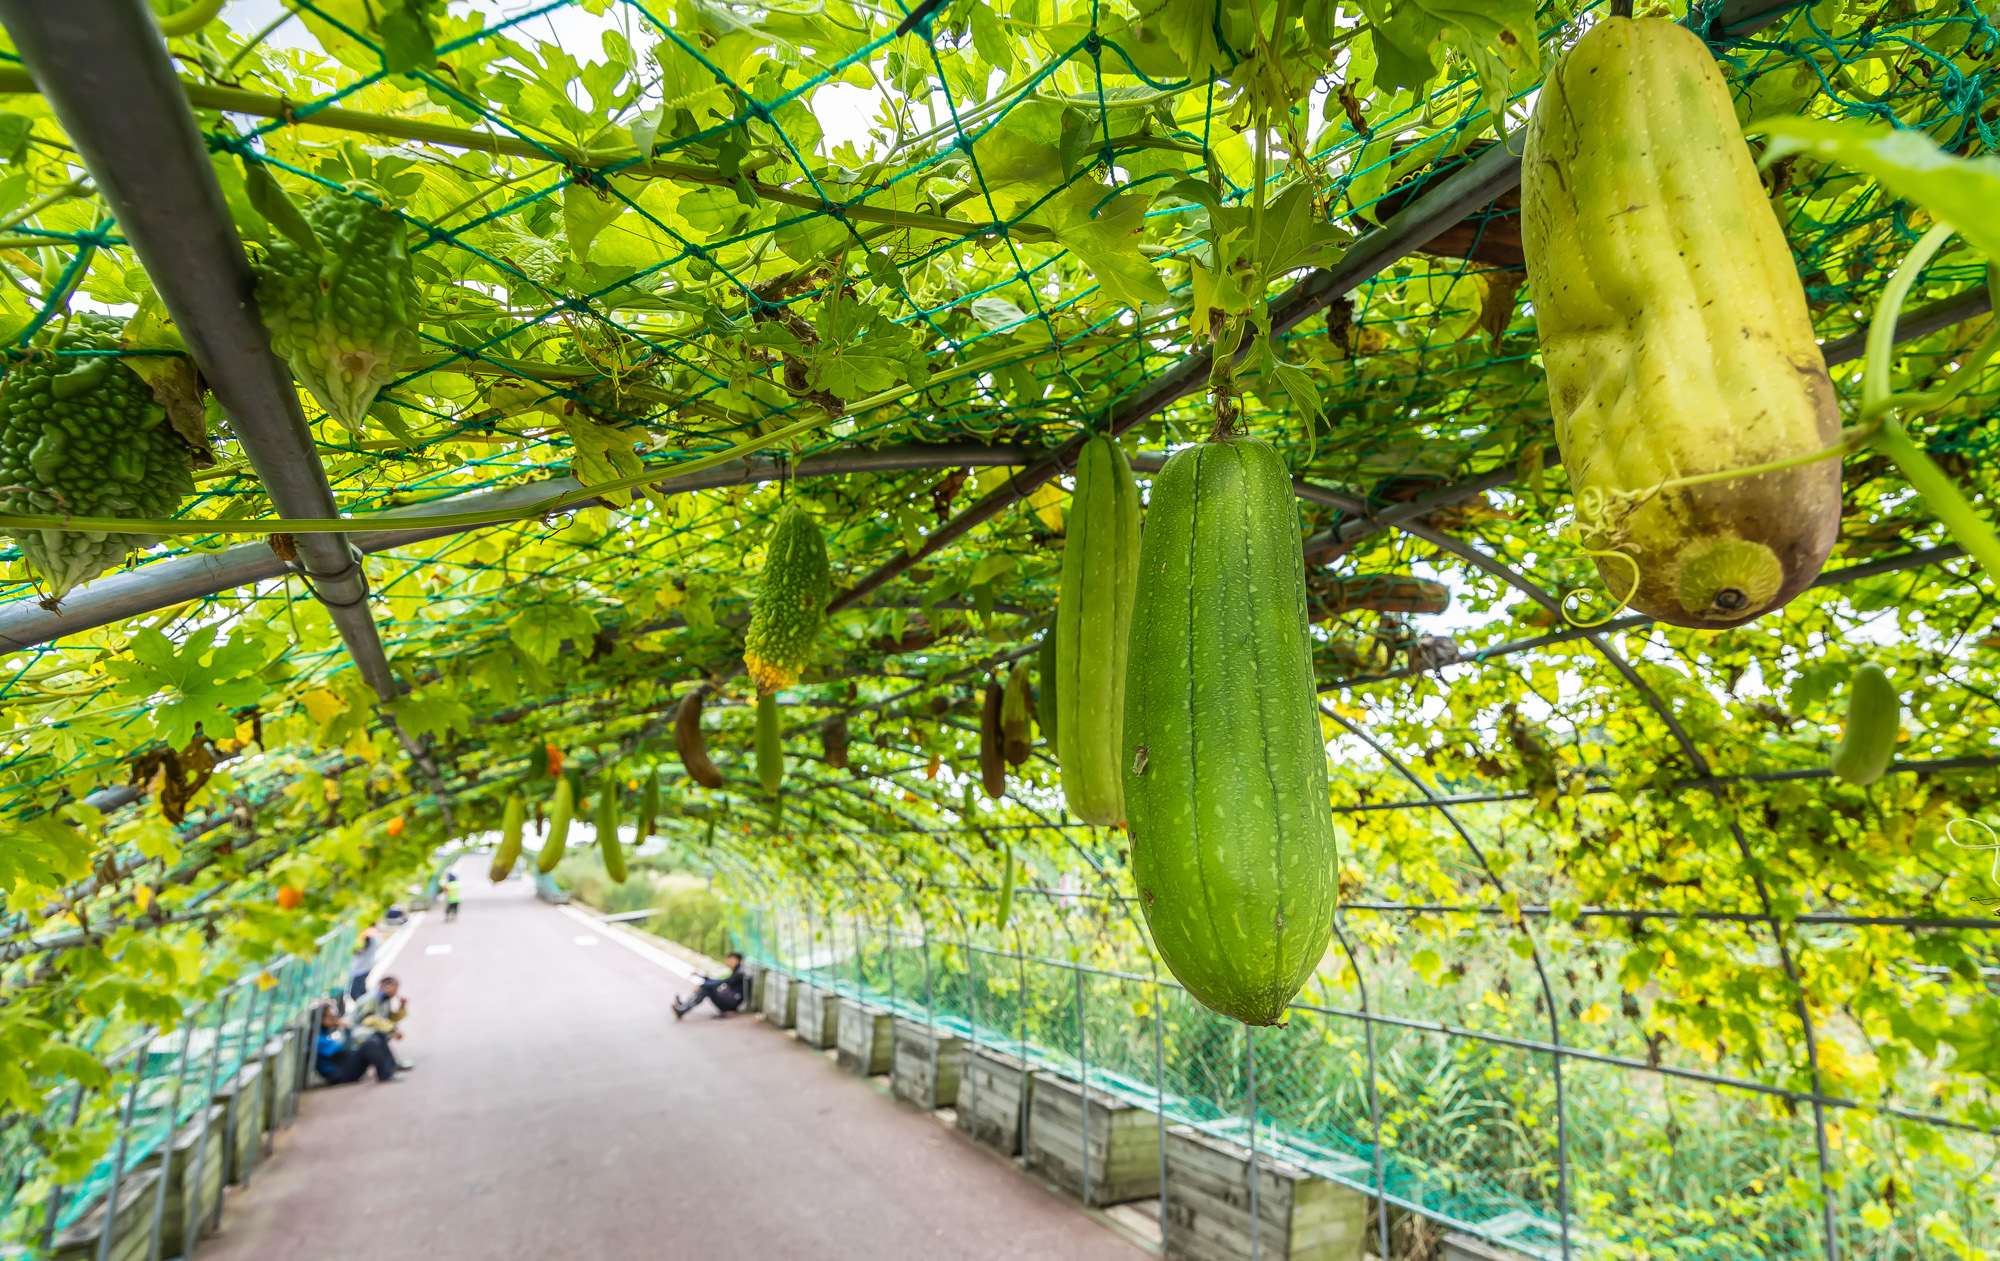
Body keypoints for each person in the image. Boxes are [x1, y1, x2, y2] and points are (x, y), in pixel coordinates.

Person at [313, 1002, 398, 1084]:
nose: (334, 1019)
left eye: (335, 1016)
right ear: (321, 1020)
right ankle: (385, 1075)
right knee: (370, 1044)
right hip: (339, 1075)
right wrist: (347, 1028)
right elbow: (347, 1049)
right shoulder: (318, 1039)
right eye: (331, 1017)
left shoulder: (326, 1034)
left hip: (344, 1068)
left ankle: (392, 1067)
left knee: (378, 1035)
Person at [351, 975, 415, 1071]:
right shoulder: (371, 999)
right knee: (380, 1034)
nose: (395, 993)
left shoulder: (385, 1000)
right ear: (383, 986)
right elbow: (368, 1020)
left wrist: (402, 1007)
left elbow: (391, 1018)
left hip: (367, 1029)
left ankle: (391, 1063)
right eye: (394, 989)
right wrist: (392, 1029)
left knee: (385, 1029)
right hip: (357, 1031)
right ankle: (385, 1067)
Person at [673, 952, 748, 1020]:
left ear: (737, 961)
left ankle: (683, 1009)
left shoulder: (739, 974)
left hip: (730, 1005)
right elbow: (718, 981)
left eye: (730, 960)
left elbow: (721, 982)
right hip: (728, 1000)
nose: (728, 962)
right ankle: (684, 1006)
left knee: (706, 988)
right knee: (706, 987)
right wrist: (702, 976)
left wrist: (703, 984)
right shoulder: (737, 971)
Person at [347, 925, 379, 1001]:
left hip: (361, 968)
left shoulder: (367, 934)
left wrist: (351, 949)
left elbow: (362, 950)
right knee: (361, 991)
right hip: (365, 967)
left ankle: (367, 1009)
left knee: (355, 993)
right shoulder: (373, 933)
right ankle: (369, 1007)